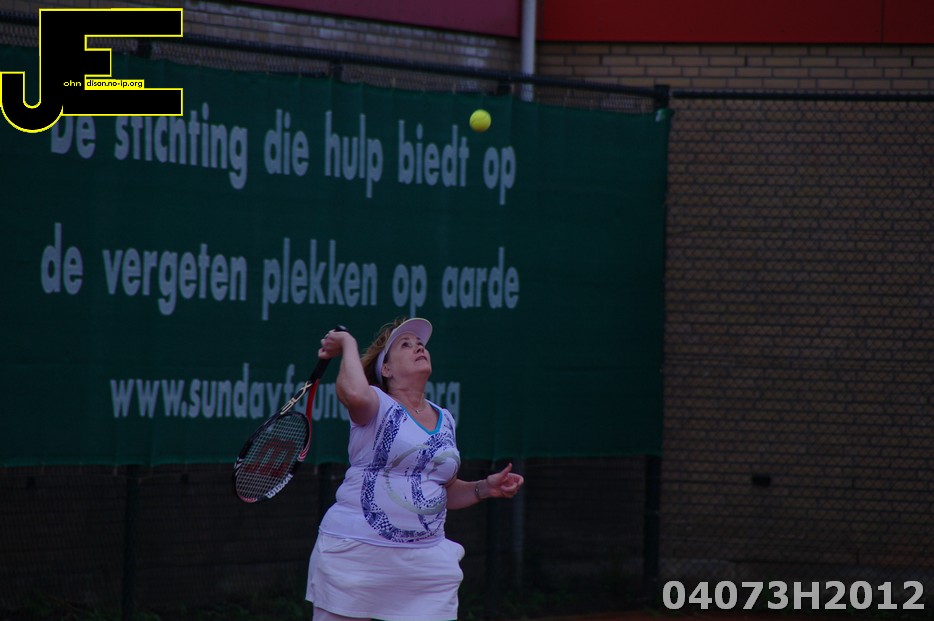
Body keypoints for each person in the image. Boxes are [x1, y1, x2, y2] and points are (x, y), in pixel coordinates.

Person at [306, 317, 525, 621]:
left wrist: (484, 488)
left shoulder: (445, 419)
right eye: (406, 345)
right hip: (357, 553)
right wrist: (347, 343)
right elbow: (353, 393)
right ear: (386, 369)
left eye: (420, 344)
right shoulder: (376, 404)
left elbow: (442, 490)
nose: (419, 347)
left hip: (425, 563)